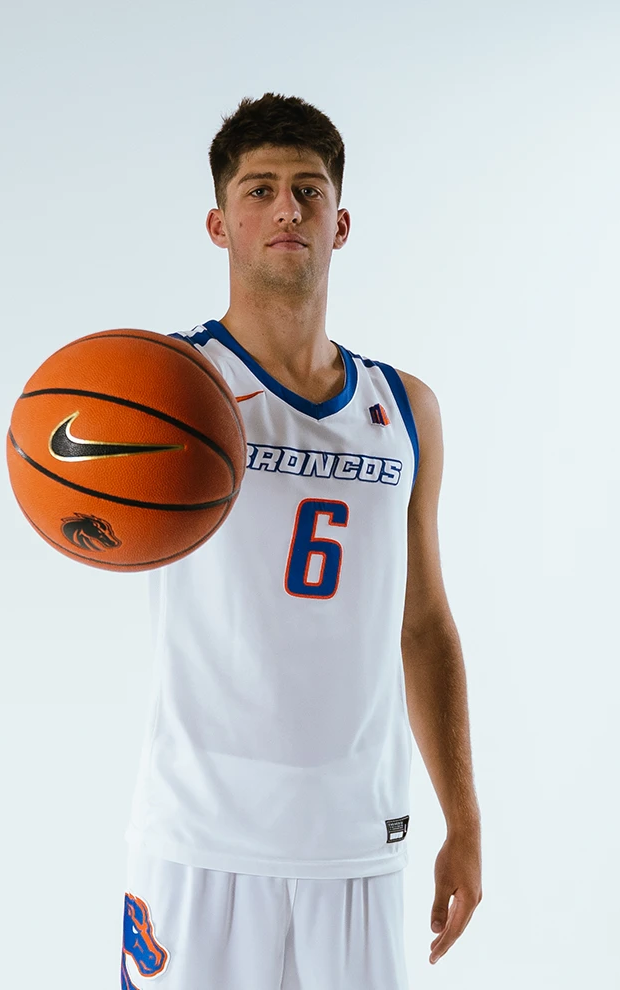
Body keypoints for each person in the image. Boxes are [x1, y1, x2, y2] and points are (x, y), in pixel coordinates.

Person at [121, 93, 482, 990]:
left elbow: (424, 623)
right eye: (260, 190)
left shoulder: (402, 411)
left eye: (308, 191)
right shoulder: (169, 386)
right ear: (219, 223)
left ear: (340, 222)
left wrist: (463, 820)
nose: (286, 208)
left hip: (354, 839)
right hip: (198, 839)